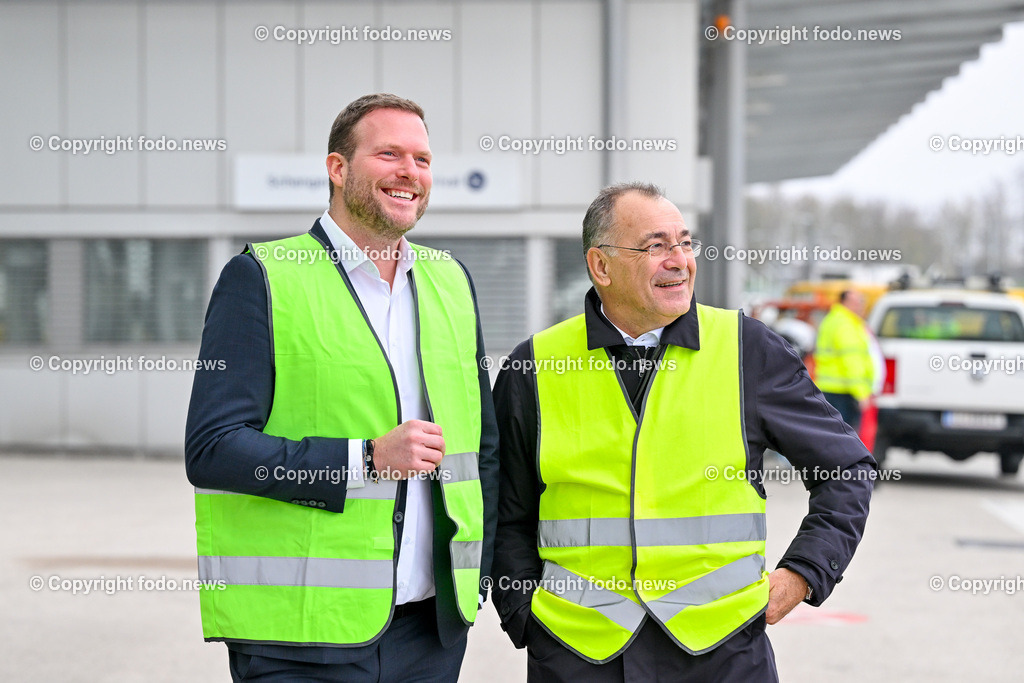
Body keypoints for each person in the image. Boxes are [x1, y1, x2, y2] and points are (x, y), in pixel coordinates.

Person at [491, 183, 874, 681]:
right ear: (600, 266)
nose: (679, 261)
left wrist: (805, 571)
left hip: (722, 655)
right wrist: (524, 616)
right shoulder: (534, 367)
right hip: (577, 656)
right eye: (655, 246)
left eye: (684, 243)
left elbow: (846, 468)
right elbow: (505, 513)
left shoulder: (748, 350)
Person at [185, 93, 498, 682]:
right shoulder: (261, 278)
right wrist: (367, 459)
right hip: (299, 634)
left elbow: (482, 447)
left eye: (423, 159)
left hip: (430, 631)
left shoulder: (451, 281)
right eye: (389, 154)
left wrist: (475, 580)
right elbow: (212, 449)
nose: (411, 172)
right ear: (338, 168)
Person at [814, 290, 875, 431]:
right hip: (843, 391)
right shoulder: (845, 324)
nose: (861, 305)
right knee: (844, 437)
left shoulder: (833, 319)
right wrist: (861, 393)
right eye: (858, 302)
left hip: (831, 388)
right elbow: (851, 360)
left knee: (830, 433)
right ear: (846, 302)